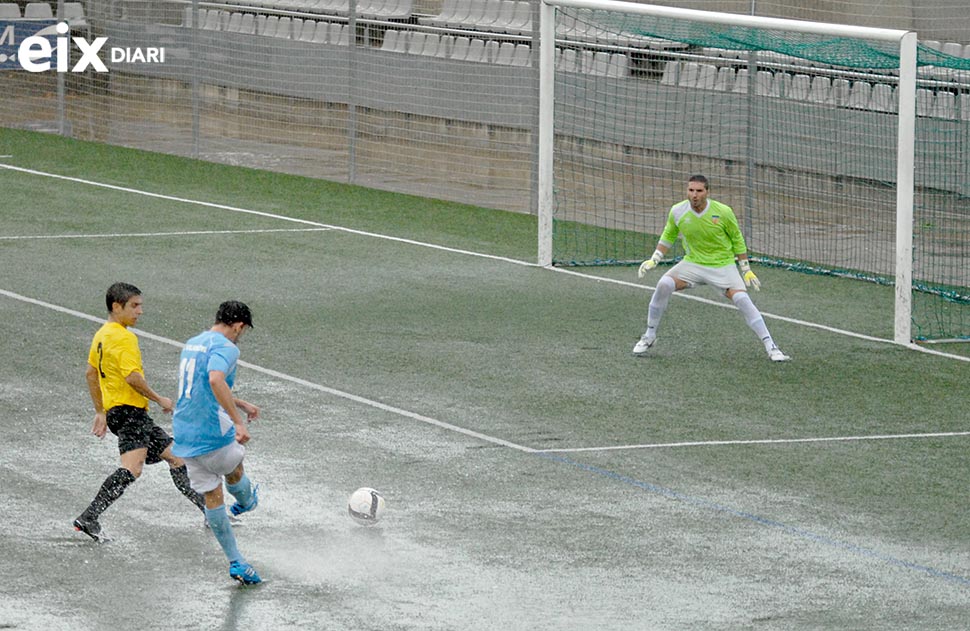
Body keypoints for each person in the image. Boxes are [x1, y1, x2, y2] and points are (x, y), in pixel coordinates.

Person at [74, 282, 206, 542]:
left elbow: (91, 373)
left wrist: (101, 411)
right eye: (134, 306)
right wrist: (160, 399)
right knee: (132, 469)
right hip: (130, 413)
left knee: (177, 457)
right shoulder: (124, 337)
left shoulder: (102, 334)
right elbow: (133, 377)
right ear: (116, 306)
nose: (140, 311)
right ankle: (90, 517)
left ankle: (210, 512)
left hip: (122, 413)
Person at [634, 175, 790, 362]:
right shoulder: (677, 211)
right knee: (664, 284)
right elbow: (669, 234)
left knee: (742, 299)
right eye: (691, 190)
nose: (694, 195)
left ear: (707, 192)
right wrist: (655, 258)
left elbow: (737, 239)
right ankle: (649, 336)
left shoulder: (723, 212)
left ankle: (771, 346)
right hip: (693, 263)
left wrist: (745, 269)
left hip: (722, 266)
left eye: (699, 191)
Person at [172, 300, 263, 585]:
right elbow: (214, 379)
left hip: (184, 435)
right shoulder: (227, 347)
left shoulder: (193, 343)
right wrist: (237, 419)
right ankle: (247, 501)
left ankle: (237, 563)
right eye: (242, 330)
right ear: (238, 325)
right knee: (235, 465)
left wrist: (238, 402)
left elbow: (200, 386)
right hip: (211, 430)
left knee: (213, 496)